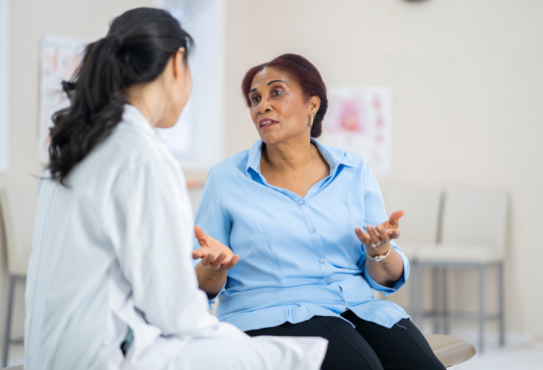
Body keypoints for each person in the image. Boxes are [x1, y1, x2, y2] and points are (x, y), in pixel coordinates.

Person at [24, 10, 327, 370]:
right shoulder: (141, 155)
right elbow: (175, 310)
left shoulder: (76, 147)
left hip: (50, 351)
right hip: (105, 354)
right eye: (255, 98)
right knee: (296, 358)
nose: (261, 106)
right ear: (176, 63)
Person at [193, 54, 445, 370]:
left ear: (312, 104)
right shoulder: (226, 178)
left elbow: (384, 279)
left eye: (276, 92)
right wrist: (214, 267)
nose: (262, 106)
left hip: (358, 308)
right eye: (255, 99)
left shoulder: (354, 170)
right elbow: (199, 287)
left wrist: (379, 251)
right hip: (270, 314)